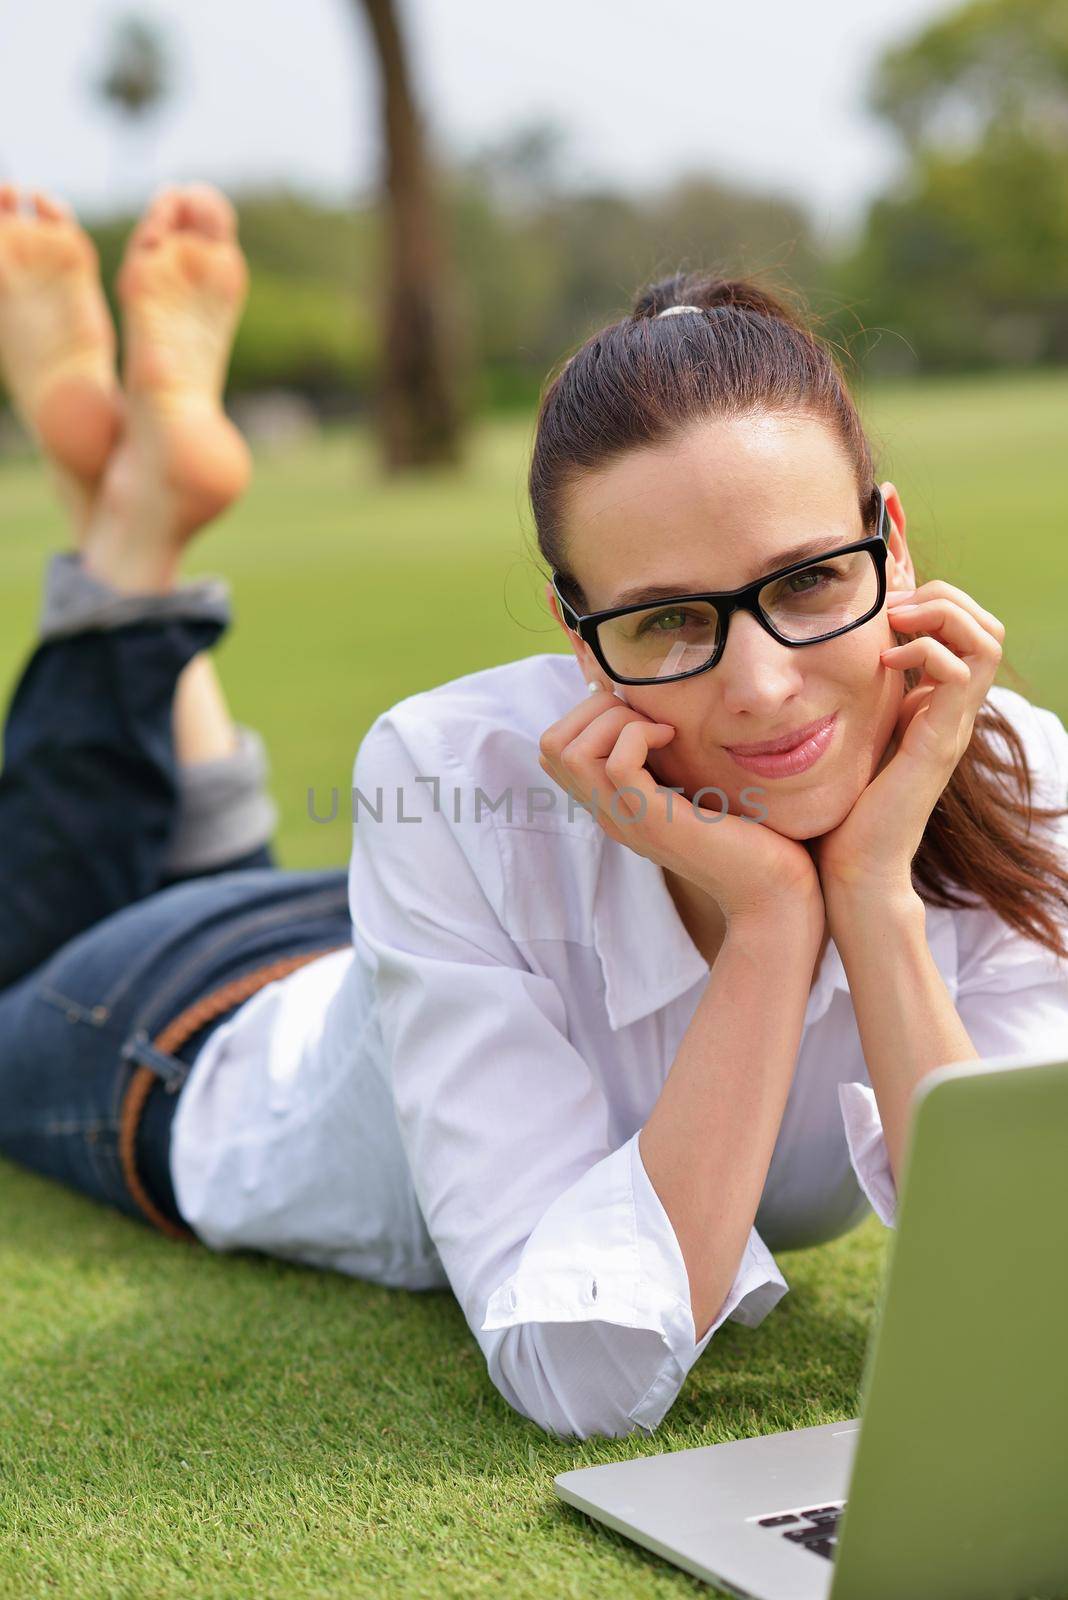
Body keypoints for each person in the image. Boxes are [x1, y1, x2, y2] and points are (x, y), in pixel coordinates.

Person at [1, 185, 1066, 1443]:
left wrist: (873, 890)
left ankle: (132, 513)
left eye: (810, 578)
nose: (766, 683)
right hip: (187, 1032)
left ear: (887, 542)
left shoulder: (1001, 767)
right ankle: (127, 530)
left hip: (401, 958)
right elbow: (581, 1380)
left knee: (211, 862)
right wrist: (775, 913)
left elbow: (1025, 1279)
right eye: (670, 617)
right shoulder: (450, 771)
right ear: (577, 631)